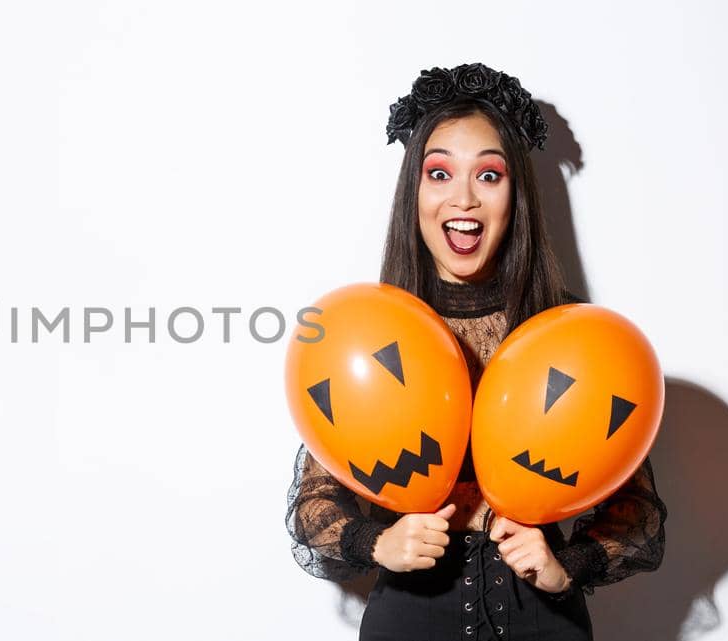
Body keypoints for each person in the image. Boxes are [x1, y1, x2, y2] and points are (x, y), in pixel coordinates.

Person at [284, 64, 667, 640]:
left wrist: (566, 569)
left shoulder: (566, 333)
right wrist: (378, 541)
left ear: (516, 195)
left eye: (489, 175)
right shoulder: (367, 332)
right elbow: (315, 502)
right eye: (439, 172)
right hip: (412, 616)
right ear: (414, 190)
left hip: (543, 618)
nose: (462, 197)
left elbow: (639, 511)